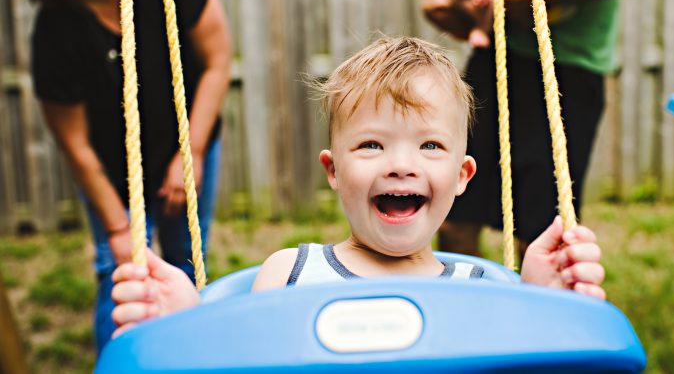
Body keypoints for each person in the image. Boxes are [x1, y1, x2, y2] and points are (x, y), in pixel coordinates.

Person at [110, 37, 606, 335]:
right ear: (333, 170)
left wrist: (546, 307)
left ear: (462, 178)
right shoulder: (291, 276)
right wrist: (185, 326)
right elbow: (245, 359)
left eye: (429, 146)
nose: (400, 165)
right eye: (371, 145)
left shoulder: (486, 295)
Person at [11, 0, 232, 353]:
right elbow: (74, 142)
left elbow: (218, 60)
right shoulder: (56, 29)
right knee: (122, 273)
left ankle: (189, 357)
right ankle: (126, 362)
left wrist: (187, 154)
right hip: (113, 176)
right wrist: (116, 227)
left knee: (184, 261)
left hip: (188, 144)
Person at [422, 0, 671, 257]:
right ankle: (467, 307)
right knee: (453, 212)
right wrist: (454, 4)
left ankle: (539, 309)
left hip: (567, 65)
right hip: (496, 56)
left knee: (541, 229)